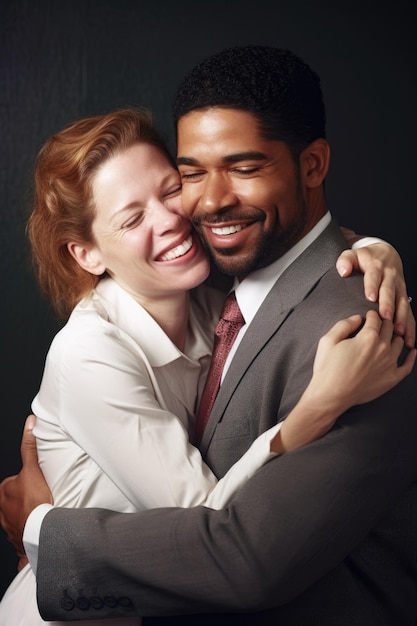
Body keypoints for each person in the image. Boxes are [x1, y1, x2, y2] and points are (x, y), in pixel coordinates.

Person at [1, 45, 416, 624]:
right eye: (193, 173)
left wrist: (375, 249)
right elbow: (204, 524)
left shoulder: (244, 303)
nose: (188, 210)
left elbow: (232, 555)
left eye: (171, 188)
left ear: (313, 165)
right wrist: (316, 409)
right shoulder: (91, 351)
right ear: (87, 253)